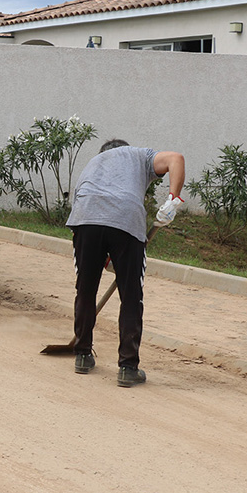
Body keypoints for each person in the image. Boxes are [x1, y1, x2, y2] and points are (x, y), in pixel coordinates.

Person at [66, 139, 185, 387]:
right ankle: (128, 367)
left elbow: (85, 214)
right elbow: (176, 158)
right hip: (125, 219)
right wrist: (173, 199)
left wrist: (105, 256)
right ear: (124, 148)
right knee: (131, 296)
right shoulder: (139, 155)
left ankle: (83, 355)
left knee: (85, 290)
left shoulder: (93, 163)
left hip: (86, 217)